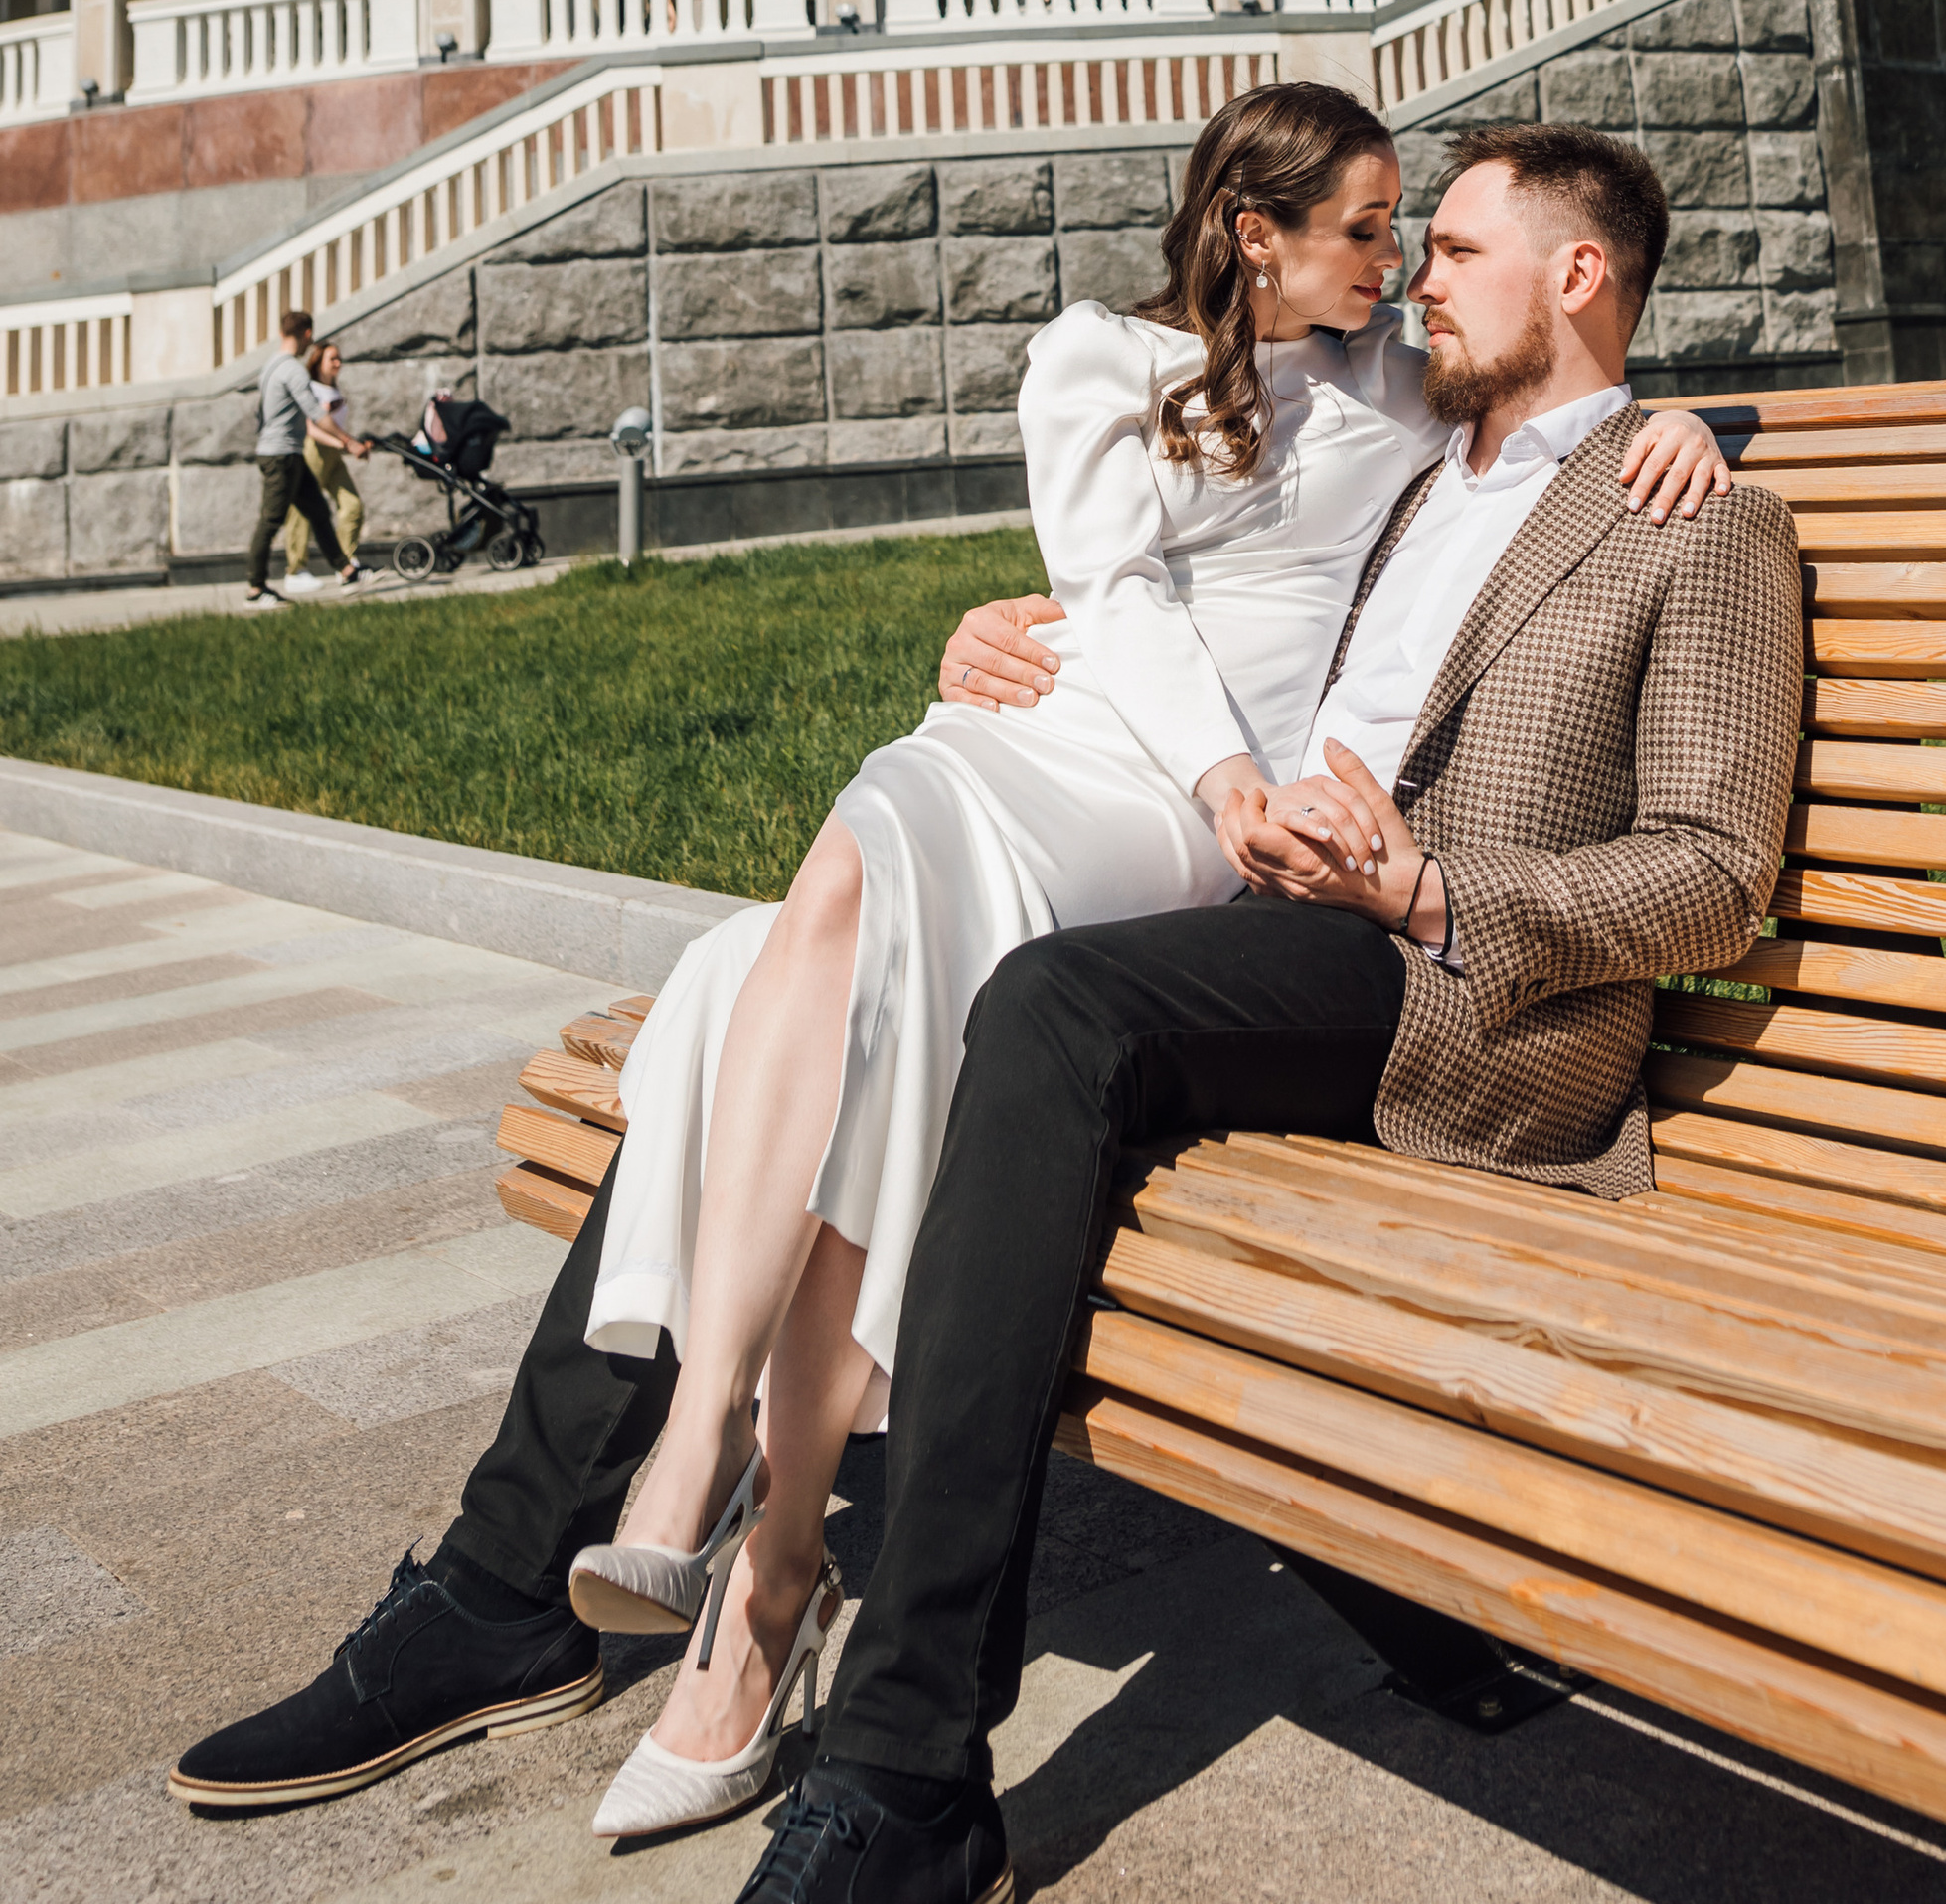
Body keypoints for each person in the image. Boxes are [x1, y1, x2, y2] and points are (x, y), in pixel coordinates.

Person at [171, 104, 1735, 1828]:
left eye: (1440, 247)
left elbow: (1687, 786)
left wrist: (1673, 429)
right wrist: (1024, 625)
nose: (1412, 279)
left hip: (1355, 930)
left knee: (909, 986)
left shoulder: (1577, 453)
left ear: (1567, 273)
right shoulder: (1405, 403)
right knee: (754, 981)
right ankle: (565, 1570)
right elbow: (1192, 548)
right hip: (1189, 823)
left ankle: (751, 1605)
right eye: (1391, 239)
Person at [243, 308, 375, 612]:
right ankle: (256, 589)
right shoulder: (293, 369)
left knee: (317, 511)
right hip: (281, 455)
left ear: (281, 333)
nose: (310, 343)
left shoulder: (270, 367)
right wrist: (350, 443)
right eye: (310, 338)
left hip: (285, 453)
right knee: (270, 520)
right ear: (305, 335)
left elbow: (261, 413)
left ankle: (348, 572)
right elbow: (317, 415)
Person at [281, 337, 366, 587]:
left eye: (339, 358)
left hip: (334, 454)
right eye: (332, 358)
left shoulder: (335, 389)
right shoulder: (310, 388)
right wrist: (344, 444)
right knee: (304, 512)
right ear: (318, 362)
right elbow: (311, 426)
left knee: (352, 505)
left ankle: (346, 564)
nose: (338, 362)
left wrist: (347, 445)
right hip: (314, 452)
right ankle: (295, 570)